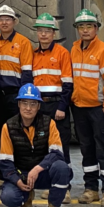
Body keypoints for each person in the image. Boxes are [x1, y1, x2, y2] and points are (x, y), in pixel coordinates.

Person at [0, 83, 73, 207]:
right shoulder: (8, 126)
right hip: (22, 175)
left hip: (42, 173)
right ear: (19, 104)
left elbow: (57, 153)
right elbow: (5, 162)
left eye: (33, 104)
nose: (28, 108)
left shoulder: (49, 123)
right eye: (24, 103)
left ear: (39, 106)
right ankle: (26, 198)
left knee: (62, 168)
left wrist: (39, 168)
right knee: (9, 198)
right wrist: (17, 180)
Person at [70, 8, 104, 207]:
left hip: (98, 110)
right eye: (81, 27)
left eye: (88, 26)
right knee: (87, 150)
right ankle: (91, 189)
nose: (84, 30)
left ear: (96, 28)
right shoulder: (74, 49)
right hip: (80, 108)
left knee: (103, 150)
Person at [32, 13, 73, 163]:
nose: (43, 34)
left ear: (53, 33)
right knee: (41, 143)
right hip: (40, 106)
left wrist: (62, 107)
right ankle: (44, 179)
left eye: (47, 31)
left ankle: (64, 181)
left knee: (61, 142)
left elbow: (68, 84)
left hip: (57, 106)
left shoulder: (62, 53)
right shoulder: (33, 55)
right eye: (40, 30)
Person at [0, 5, 34, 131]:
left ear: (14, 22)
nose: (4, 23)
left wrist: (24, 97)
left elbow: (27, 72)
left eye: (8, 19)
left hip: (14, 94)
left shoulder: (23, 42)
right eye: (1, 19)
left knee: (16, 128)